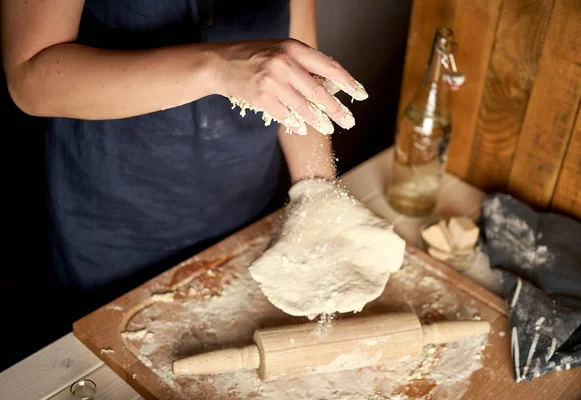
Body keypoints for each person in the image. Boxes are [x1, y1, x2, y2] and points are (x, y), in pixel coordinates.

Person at [0, 0, 367, 329]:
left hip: (244, 210)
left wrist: (317, 200)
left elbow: (296, 76)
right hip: (115, 224)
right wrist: (217, 68)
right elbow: (30, 78)